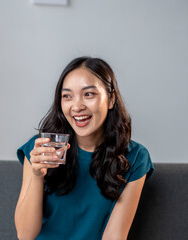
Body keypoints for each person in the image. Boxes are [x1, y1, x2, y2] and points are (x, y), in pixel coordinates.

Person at [15, 56, 154, 240]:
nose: (77, 106)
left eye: (88, 94)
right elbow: (25, 235)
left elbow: (115, 236)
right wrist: (37, 175)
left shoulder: (135, 157)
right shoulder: (40, 147)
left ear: (111, 99)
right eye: (67, 96)